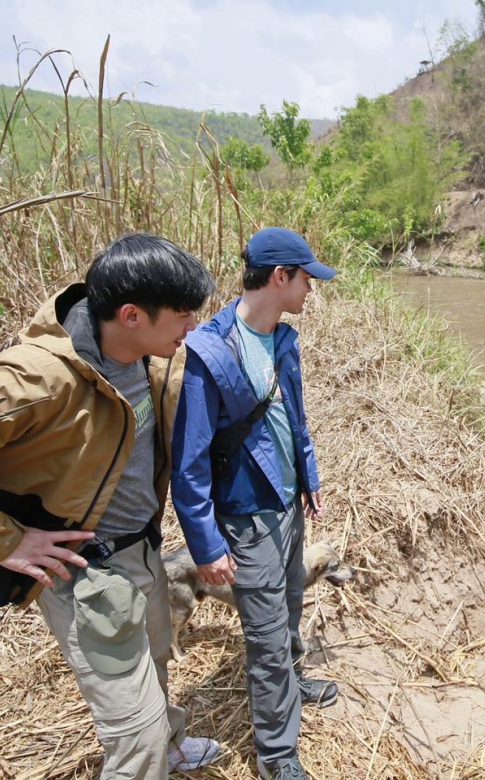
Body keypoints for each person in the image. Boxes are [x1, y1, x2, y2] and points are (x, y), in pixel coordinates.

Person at [0, 233, 221, 779]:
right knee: (135, 738)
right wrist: (5, 540)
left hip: (144, 553)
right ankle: (152, 753)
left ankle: (170, 745)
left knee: (157, 662)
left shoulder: (148, 358)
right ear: (131, 315)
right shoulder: (40, 380)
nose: (192, 327)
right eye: (183, 315)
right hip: (90, 574)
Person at [172, 227, 337, 780]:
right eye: (306, 278)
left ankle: (295, 677)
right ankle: (277, 756)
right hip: (246, 516)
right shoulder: (210, 352)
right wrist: (206, 543)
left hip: (287, 504)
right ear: (279, 277)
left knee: (289, 603)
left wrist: (308, 475)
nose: (311, 289)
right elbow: (189, 462)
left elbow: (296, 417)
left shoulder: (283, 340)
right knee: (264, 640)